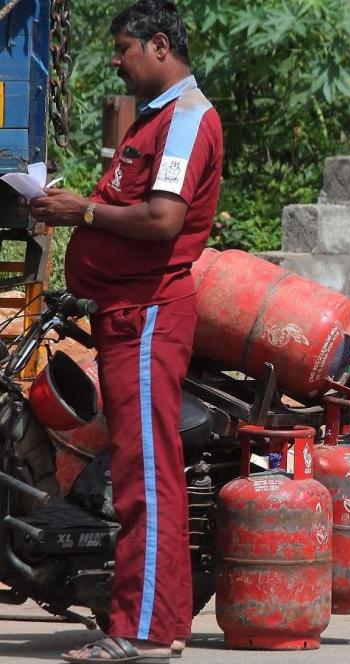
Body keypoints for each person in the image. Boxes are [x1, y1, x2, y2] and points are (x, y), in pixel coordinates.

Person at [30, 1, 223, 661]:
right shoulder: (157, 120)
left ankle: (138, 629)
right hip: (125, 315)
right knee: (146, 472)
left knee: (143, 476)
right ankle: (159, 623)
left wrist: (81, 211)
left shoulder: (187, 120)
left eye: (124, 48)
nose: (117, 59)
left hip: (148, 317)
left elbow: (163, 220)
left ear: (160, 45)